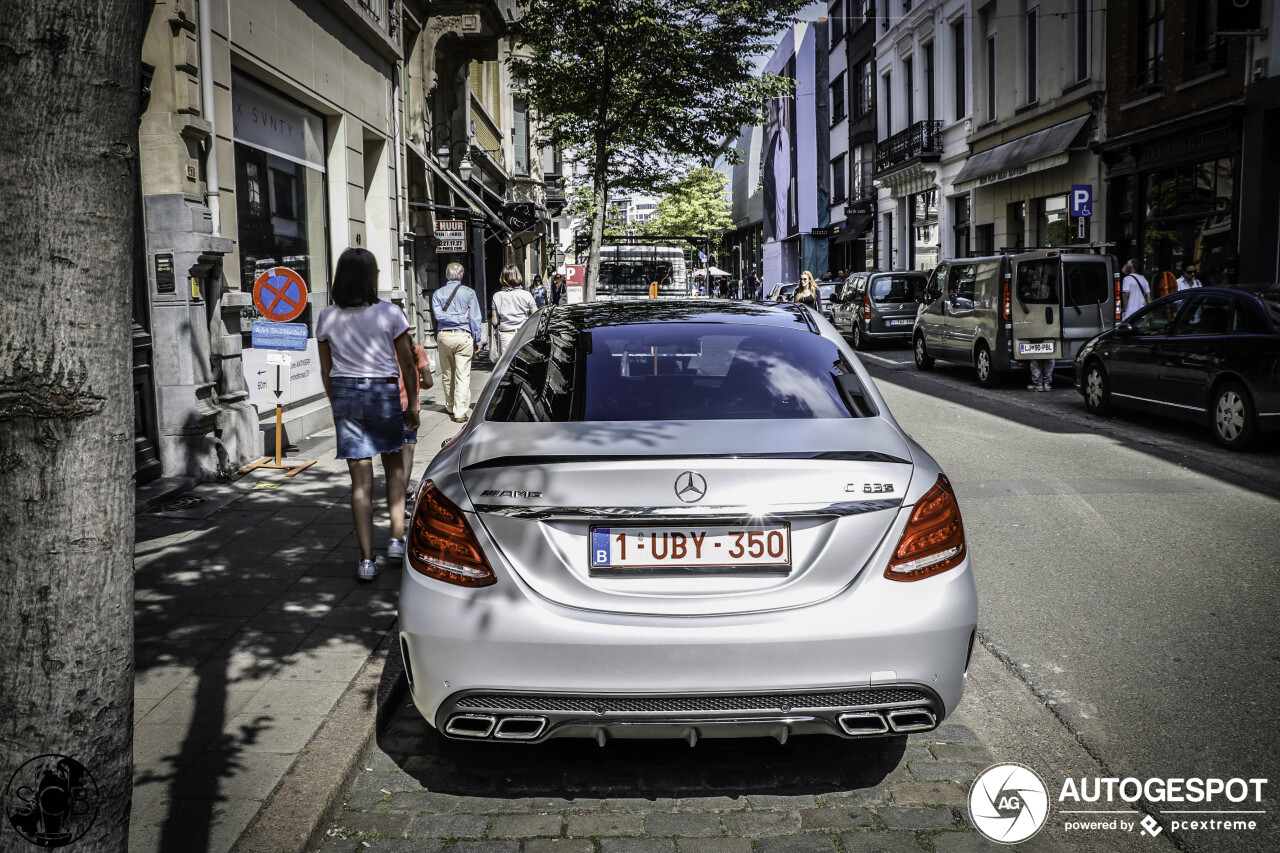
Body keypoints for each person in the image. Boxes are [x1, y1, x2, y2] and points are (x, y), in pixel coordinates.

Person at [316, 247, 419, 581]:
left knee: (360, 482)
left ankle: (365, 561)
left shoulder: (327, 316)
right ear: (371, 277)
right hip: (382, 392)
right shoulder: (390, 314)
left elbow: (326, 369)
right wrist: (413, 404)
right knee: (394, 471)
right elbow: (407, 363)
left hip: (347, 394)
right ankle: (396, 539)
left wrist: (337, 404)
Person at [432, 261, 483, 423]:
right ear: (461, 276)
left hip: (444, 336)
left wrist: (451, 319)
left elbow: (439, 316)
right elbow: (475, 318)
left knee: (447, 374)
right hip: (463, 335)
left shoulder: (438, 294)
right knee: (462, 374)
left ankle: (449, 405)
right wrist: (479, 339)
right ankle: (460, 411)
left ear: (447, 276)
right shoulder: (469, 293)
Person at [397, 334, 434, 508]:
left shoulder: (385, 350)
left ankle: (399, 491)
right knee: (407, 454)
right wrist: (416, 384)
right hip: (411, 408)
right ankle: (404, 491)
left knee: (392, 455)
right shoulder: (416, 349)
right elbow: (428, 381)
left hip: (387, 407)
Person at [490, 264, 537, 358]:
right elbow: (536, 315)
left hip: (506, 334)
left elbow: (494, 321)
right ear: (518, 276)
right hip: (524, 334)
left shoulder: (497, 296)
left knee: (508, 365)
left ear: (503, 278)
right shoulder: (526, 295)